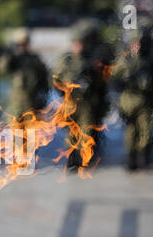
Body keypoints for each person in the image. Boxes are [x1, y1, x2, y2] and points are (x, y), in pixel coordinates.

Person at [55, 19, 112, 169]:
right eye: (75, 43)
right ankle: (73, 160)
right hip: (71, 103)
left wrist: (90, 76)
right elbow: (56, 79)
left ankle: (83, 159)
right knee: (71, 134)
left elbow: (102, 81)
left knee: (86, 132)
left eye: (80, 43)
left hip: (87, 104)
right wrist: (65, 86)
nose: (77, 47)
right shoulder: (66, 59)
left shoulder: (92, 59)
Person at [111, 26, 153, 171]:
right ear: (130, 44)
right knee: (130, 132)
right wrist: (126, 82)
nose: (138, 46)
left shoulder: (148, 59)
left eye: (140, 43)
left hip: (145, 101)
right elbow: (114, 80)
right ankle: (131, 158)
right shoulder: (124, 60)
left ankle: (142, 159)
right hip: (128, 101)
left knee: (145, 131)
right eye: (135, 43)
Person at [0, 27, 49, 118]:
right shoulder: (14, 58)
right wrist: (8, 54)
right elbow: (2, 68)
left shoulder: (35, 59)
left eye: (25, 43)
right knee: (17, 131)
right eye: (21, 44)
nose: (23, 46)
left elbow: (44, 78)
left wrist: (43, 95)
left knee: (32, 131)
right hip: (16, 104)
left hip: (32, 104)